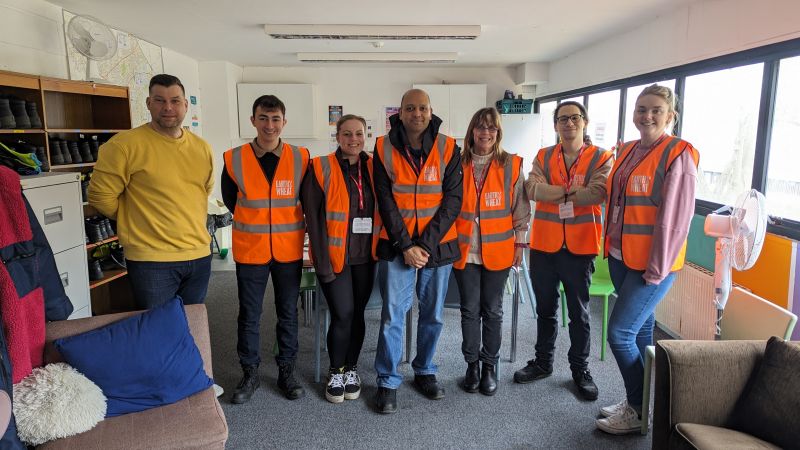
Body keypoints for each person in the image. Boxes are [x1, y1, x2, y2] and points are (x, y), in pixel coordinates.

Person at [595, 84, 699, 434]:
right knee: (640, 333)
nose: (647, 115)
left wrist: (656, 269)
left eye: (656, 109)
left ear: (671, 115)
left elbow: (675, 219)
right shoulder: (626, 150)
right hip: (622, 258)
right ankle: (642, 404)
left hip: (652, 266)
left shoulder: (678, 154)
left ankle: (639, 408)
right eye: (641, 109)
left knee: (619, 334)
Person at [513, 101, 613, 402]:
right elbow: (532, 189)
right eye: (562, 119)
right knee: (546, 311)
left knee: (580, 315)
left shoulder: (601, 157)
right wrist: (570, 193)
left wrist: (554, 190)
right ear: (555, 125)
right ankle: (543, 363)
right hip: (544, 246)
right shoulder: (544, 155)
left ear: (584, 122)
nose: (569, 123)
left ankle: (580, 370)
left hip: (579, 248)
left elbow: (599, 193)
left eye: (574, 118)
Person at [88, 74, 214, 310]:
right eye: (159, 100)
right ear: (148, 103)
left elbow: (203, 191)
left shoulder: (201, 148)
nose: (168, 107)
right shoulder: (123, 145)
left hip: (198, 254)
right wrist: (136, 219)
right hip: (151, 260)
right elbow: (100, 197)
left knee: (192, 327)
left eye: (175, 101)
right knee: (157, 331)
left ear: (186, 105)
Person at [372, 88, 463, 414]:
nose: (417, 114)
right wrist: (406, 245)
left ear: (430, 110)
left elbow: (453, 201)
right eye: (410, 108)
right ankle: (388, 380)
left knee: (433, 314)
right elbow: (384, 200)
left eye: (422, 108)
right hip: (397, 246)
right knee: (392, 317)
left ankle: (424, 370)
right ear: (401, 111)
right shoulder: (382, 146)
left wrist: (423, 245)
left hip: (436, 247)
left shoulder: (449, 146)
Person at [221, 95, 310, 404]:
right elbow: (232, 201)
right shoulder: (234, 159)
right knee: (249, 314)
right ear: (253, 121)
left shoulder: (301, 158)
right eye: (263, 118)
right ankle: (250, 373)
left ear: (283, 122)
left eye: (275, 119)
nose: (269, 125)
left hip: (288, 250)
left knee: (288, 313)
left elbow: (306, 199)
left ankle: (286, 370)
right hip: (251, 250)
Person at [301, 114, 379, 404]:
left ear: (365, 135)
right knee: (343, 313)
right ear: (337, 136)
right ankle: (336, 370)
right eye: (346, 134)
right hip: (335, 258)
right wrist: (320, 261)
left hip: (366, 256)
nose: (353, 139)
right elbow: (313, 218)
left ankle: (352, 370)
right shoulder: (320, 167)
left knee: (358, 314)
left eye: (358, 133)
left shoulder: (375, 166)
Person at [453, 107, 530, 396]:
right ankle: (471, 365)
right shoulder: (457, 163)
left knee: (493, 311)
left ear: (498, 133)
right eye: (480, 127)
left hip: (498, 250)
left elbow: (520, 208)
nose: (486, 133)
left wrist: (520, 245)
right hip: (464, 250)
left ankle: (489, 366)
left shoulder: (510, 164)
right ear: (472, 130)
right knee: (469, 311)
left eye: (492, 128)